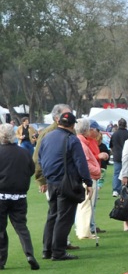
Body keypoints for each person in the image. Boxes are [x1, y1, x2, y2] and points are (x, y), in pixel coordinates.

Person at [38, 112, 93, 261]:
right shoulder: (72, 139)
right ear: (73, 125)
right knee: (64, 217)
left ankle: (47, 250)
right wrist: (88, 182)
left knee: (52, 215)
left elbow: (40, 158)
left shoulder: (47, 136)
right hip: (66, 182)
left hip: (51, 181)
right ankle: (58, 251)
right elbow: (80, 163)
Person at [0, 123, 39, 270]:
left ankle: (1, 260)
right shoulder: (24, 153)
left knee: (1, 230)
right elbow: (30, 170)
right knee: (21, 227)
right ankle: (29, 254)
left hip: (1, 196)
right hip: (19, 196)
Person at [73, 119, 102, 240]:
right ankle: (84, 232)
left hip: (88, 177)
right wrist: (97, 170)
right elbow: (84, 163)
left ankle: (83, 231)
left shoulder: (81, 142)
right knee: (86, 205)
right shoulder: (82, 143)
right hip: (88, 178)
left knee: (84, 205)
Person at [109, 117, 128, 196]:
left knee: (116, 173)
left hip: (117, 155)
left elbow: (111, 145)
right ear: (125, 125)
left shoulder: (114, 134)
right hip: (127, 156)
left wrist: (114, 151)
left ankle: (115, 190)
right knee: (126, 174)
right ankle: (124, 189)